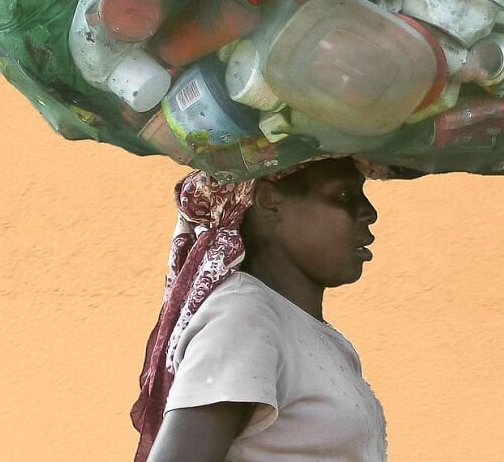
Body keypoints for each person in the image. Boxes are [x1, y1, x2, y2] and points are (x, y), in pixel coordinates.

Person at [132, 156, 386, 462]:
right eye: (344, 194)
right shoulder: (243, 317)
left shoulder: (314, 335)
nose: (369, 212)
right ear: (269, 201)